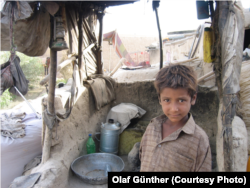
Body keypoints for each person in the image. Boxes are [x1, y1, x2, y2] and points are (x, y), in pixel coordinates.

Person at [139, 64, 211, 171]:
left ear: (193, 98)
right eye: (167, 100)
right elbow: (142, 156)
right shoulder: (152, 127)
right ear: (160, 99)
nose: (174, 109)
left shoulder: (199, 140)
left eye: (181, 100)